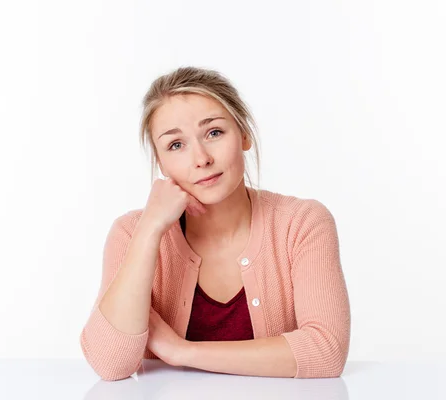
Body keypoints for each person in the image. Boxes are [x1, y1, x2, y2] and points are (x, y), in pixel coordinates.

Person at [79, 66, 351, 381]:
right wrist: (150, 230)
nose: (201, 158)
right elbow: (110, 365)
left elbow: (326, 352)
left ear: (244, 134)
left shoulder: (301, 223)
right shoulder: (131, 233)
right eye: (176, 145)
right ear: (161, 162)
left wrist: (182, 351)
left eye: (214, 133)